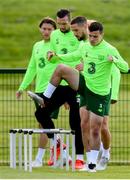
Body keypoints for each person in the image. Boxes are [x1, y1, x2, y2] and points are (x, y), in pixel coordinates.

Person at [29, 22, 129, 172]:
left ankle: (95, 162)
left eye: (95, 36)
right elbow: (72, 56)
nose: (92, 39)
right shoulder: (84, 46)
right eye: (90, 36)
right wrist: (57, 56)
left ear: (102, 35)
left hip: (99, 93)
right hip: (84, 86)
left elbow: (125, 68)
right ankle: (45, 98)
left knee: (97, 128)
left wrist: (114, 60)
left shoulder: (110, 49)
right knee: (62, 69)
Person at [28, 11, 87, 169]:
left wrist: (82, 64)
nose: (62, 26)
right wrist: (51, 56)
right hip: (60, 84)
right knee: (40, 113)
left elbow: (83, 54)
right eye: (59, 23)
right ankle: (58, 142)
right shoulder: (54, 35)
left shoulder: (78, 35)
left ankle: (80, 158)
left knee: (75, 121)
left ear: (70, 21)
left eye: (64, 23)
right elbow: (54, 57)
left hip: (74, 84)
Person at [16, 17, 59, 167]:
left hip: (55, 89)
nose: (46, 31)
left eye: (50, 29)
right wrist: (22, 87)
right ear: (40, 29)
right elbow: (32, 68)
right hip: (40, 90)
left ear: (55, 31)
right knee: (43, 123)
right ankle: (58, 154)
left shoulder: (57, 45)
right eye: (44, 28)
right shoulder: (37, 46)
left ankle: (41, 158)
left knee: (43, 124)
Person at [97, 64, 121, 170]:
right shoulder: (83, 48)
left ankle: (106, 153)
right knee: (85, 124)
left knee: (103, 126)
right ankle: (99, 149)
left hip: (104, 92)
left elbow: (116, 72)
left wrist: (114, 95)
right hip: (88, 91)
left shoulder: (107, 50)